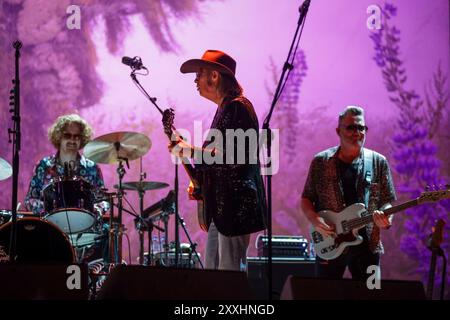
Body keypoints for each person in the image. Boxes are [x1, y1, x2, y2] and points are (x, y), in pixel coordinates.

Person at [168, 50, 267, 271]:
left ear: (214, 76)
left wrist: (190, 150)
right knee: (214, 274)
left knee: (229, 275)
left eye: (199, 74)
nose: (195, 80)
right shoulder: (225, 108)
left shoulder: (237, 106)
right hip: (222, 210)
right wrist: (201, 181)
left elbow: (233, 156)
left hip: (234, 209)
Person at [301, 106, 396, 280]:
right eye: (351, 127)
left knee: (370, 294)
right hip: (330, 242)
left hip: (368, 246)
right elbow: (307, 198)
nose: (357, 132)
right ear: (338, 131)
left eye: (361, 128)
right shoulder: (321, 162)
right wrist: (315, 220)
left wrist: (386, 219)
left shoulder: (378, 162)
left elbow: (387, 200)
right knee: (325, 294)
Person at [25, 114, 108, 262]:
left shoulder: (92, 168)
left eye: (77, 136)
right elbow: (30, 199)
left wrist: (98, 208)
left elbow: (104, 200)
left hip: (86, 232)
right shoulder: (44, 166)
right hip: (52, 230)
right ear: (59, 137)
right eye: (67, 135)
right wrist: (46, 211)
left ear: (82, 138)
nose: (72, 139)